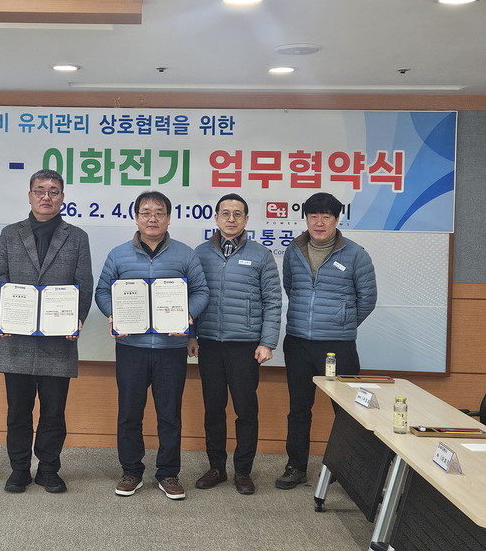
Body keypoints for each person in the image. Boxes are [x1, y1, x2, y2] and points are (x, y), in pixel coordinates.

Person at [95, 191, 209, 500]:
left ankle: (168, 473)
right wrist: (113, 313)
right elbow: (102, 291)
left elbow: (201, 291)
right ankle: (131, 471)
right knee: (129, 413)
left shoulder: (185, 254)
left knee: (169, 415)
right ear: (136, 218)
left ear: (169, 218)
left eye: (159, 212)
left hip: (171, 350)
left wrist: (187, 315)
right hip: (131, 348)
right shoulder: (118, 254)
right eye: (146, 212)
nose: (152, 218)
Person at [0, 169, 93, 494]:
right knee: (17, 412)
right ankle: (19, 469)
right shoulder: (10, 233)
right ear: (30, 195)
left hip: (58, 339)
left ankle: (49, 469)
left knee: (53, 412)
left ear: (62, 197)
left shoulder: (77, 236)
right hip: (16, 338)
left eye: (53, 191)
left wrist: (77, 318)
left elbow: (83, 282)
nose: (46, 197)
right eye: (40, 190)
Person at [276, 192, 377, 489]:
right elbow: (290, 287)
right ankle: (296, 467)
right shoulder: (294, 250)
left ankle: (349, 471)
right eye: (313, 216)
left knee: (345, 412)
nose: (319, 222)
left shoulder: (355, 254)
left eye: (326, 216)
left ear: (337, 219)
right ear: (306, 219)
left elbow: (368, 299)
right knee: (298, 409)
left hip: (337, 345)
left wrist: (342, 322)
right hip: (298, 343)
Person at [189, 193, 281, 495]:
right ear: (216, 218)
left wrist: (267, 342)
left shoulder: (261, 255)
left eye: (237, 214)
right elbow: (191, 298)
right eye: (225, 213)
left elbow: (273, 301)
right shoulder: (200, 253)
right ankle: (216, 467)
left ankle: (243, 471)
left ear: (246, 219)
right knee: (213, 409)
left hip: (245, 346)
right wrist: (192, 335)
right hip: (210, 345)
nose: (231, 219)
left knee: (246, 411)